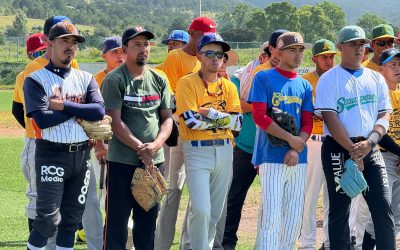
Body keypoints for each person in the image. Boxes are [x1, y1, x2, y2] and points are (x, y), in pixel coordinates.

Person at [14, 16, 103, 250]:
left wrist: (64, 106)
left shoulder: (85, 78)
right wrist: (80, 110)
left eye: (74, 41)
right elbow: (42, 120)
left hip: (81, 156)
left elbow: (98, 110)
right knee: (47, 220)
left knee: (71, 220)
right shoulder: (35, 79)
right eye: (65, 40)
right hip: (52, 154)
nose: (70, 46)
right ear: (50, 43)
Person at [315, 25, 395, 250]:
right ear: (340, 47)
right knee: (340, 210)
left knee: (382, 207)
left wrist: (369, 143)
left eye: (362, 44)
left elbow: (384, 113)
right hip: (338, 148)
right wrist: (353, 150)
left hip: (370, 146)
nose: (359, 48)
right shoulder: (330, 79)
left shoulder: (375, 78)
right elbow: (330, 118)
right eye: (353, 44)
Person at [101, 26, 173, 250]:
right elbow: (114, 120)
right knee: (116, 224)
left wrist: (156, 145)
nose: (143, 49)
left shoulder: (159, 79)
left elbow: (168, 119)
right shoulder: (115, 80)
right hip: (122, 162)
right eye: (137, 45)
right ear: (124, 49)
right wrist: (141, 147)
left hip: (154, 163)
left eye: (146, 44)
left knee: (147, 224)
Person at [155, 16, 217, 250]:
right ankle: (160, 244)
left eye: (210, 35)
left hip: (205, 133)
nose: (207, 39)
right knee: (174, 189)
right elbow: (170, 96)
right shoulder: (176, 56)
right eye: (202, 35)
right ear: (192, 33)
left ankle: (188, 245)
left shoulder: (210, 56)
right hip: (181, 131)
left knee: (198, 195)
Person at [175, 32, 242, 250]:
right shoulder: (187, 83)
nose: (215, 58)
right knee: (201, 209)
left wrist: (210, 114)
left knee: (214, 212)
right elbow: (191, 121)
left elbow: (238, 123)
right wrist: (224, 120)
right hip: (197, 150)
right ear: (199, 55)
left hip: (224, 150)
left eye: (220, 54)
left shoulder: (229, 86)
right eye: (210, 53)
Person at [248, 31, 313, 249]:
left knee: (294, 219)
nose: (298, 55)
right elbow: (259, 116)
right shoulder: (263, 77)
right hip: (272, 156)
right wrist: (289, 138)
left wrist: (297, 147)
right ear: (279, 51)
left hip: (298, 158)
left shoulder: (304, 85)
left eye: (301, 50)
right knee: (272, 217)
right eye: (292, 50)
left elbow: (307, 122)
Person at [298, 39, 338, 250]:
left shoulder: (338, 79)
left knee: (333, 196)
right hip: (313, 143)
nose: (329, 60)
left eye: (331, 56)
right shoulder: (305, 81)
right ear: (314, 59)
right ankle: (306, 243)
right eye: (324, 57)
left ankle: (331, 242)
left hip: (334, 141)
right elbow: (308, 113)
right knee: (310, 195)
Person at [362, 48, 400, 249]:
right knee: (381, 214)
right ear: (380, 69)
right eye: (392, 64)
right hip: (382, 157)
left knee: (397, 217)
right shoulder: (376, 95)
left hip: (399, 160)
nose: (398, 68)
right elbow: (379, 133)